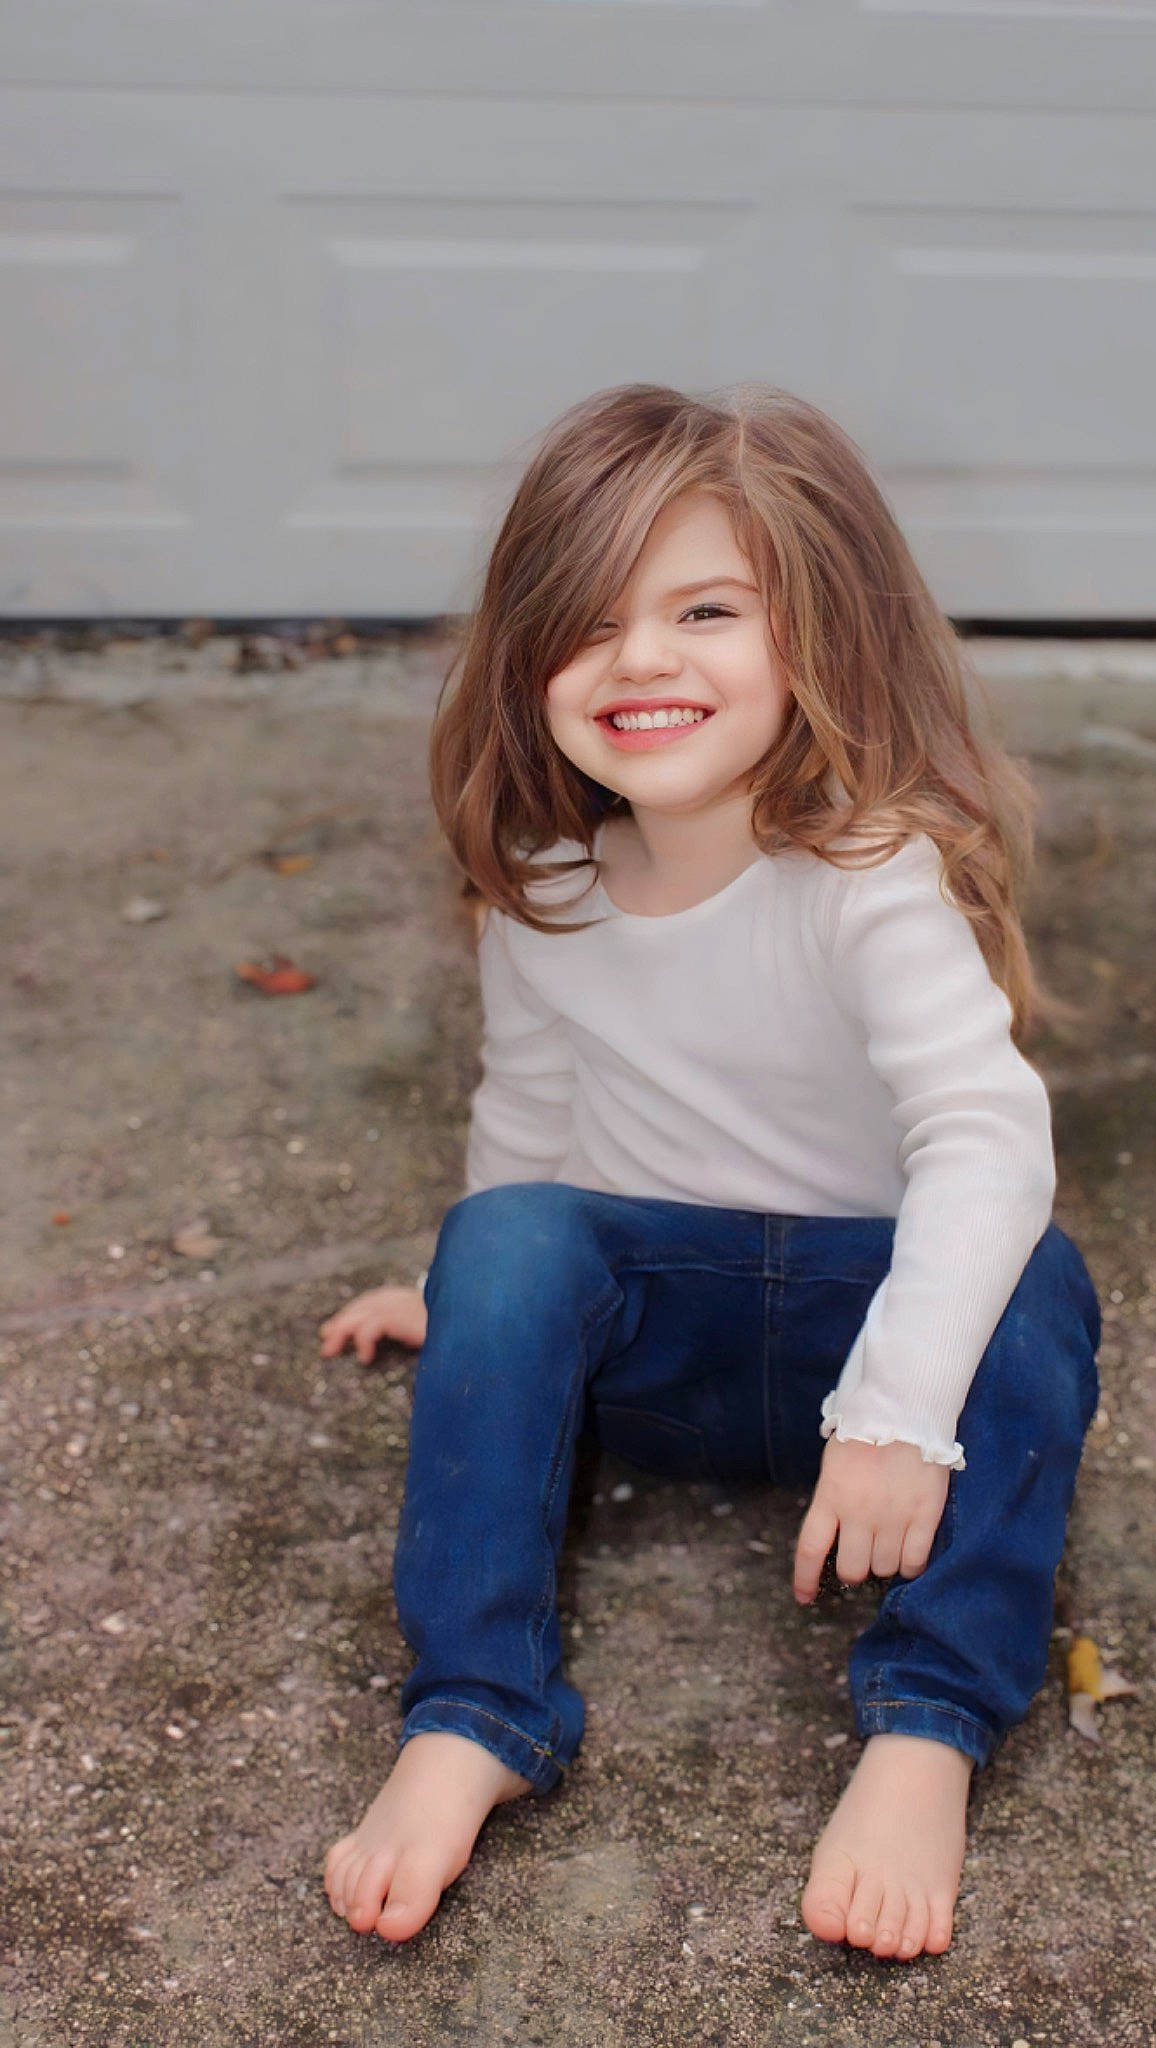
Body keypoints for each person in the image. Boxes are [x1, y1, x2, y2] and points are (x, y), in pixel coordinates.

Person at [316, 382, 1102, 1958]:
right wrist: (461, 1290)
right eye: (590, 620)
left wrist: (895, 1408)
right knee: (512, 1235)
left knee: (1035, 1275)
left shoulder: (868, 875)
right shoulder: (543, 882)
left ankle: (926, 1725)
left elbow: (983, 1134)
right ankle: (474, 1711)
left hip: (866, 1369)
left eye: (706, 609)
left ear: (819, 629)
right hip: (658, 1368)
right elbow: (529, 1117)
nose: (643, 659)